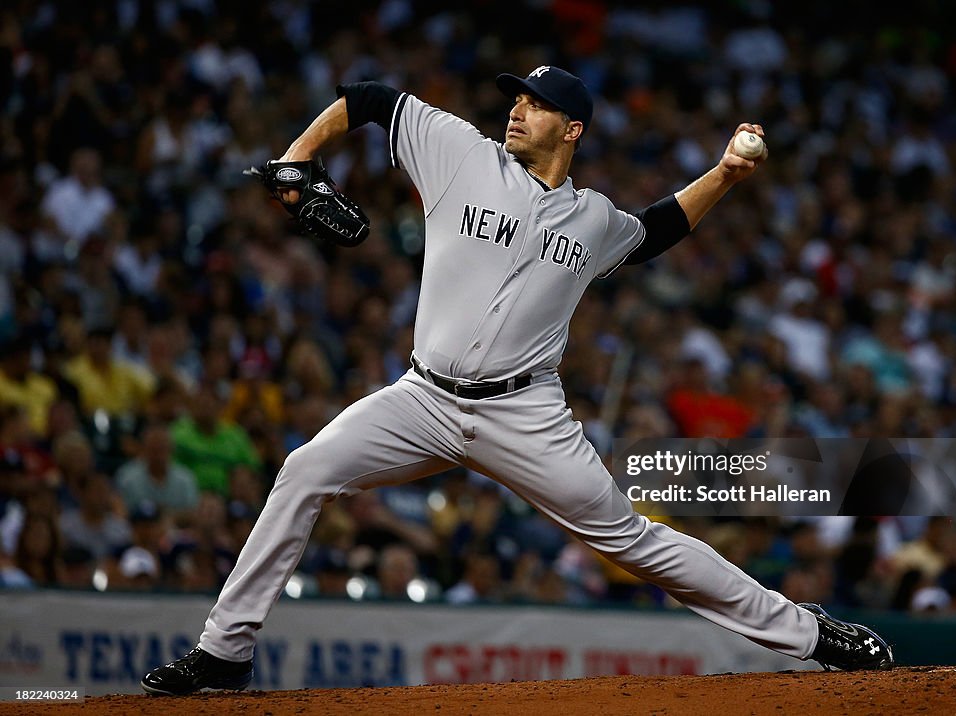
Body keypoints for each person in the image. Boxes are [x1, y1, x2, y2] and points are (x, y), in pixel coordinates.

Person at [142, 66, 894, 696]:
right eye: (516, 98)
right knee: (304, 470)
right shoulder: (459, 154)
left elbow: (657, 229)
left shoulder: (594, 219)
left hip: (525, 414)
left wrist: (726, 174)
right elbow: (370, 100)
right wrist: (299, 157)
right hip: (424, 398)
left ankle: (809, 633)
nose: (517, 108)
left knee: (633, 541)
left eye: (535, 104)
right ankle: (225, 652)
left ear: (572, 129)